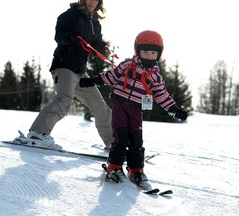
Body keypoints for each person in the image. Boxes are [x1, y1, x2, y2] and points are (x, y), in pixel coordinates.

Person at [79, 30, 188, 189]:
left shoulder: (155, 77)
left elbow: (162, 95)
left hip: (136, 109)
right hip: (120, 106)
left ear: (159, 54)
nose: (149, 55)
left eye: (153, 52)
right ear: (138, 51)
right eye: (145, 52)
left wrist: (174, 109)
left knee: (137, 140)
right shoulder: (127, 65)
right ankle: (114, 168)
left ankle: (136, 170)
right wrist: (93, 81)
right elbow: (111, 76)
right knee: (121, 137)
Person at [14, 0, 113, 149]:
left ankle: (114, 143)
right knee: (64, 100)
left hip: (80, 71)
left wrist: (102, 46)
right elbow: (59, 36)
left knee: (100, 106)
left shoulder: (95, 23)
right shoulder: (69, 15)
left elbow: (95, 42)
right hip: (64, 66)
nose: (92, 1)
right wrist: (74, 38)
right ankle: (38, 133)